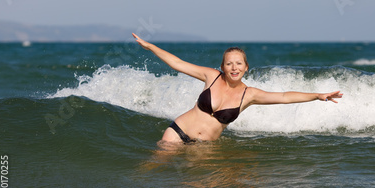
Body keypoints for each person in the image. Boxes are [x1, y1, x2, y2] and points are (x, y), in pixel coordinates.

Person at [133, 33, 343, 144]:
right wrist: (150, 46)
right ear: (222, 67)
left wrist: (317, 95)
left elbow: (285, 96)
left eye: (239, 64)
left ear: (246, 67)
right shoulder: (212, 77)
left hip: (203, 147)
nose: (234, 67)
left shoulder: (249, 95)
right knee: (154, 169)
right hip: (178, 132)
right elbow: (178, 63)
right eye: (229, 64)